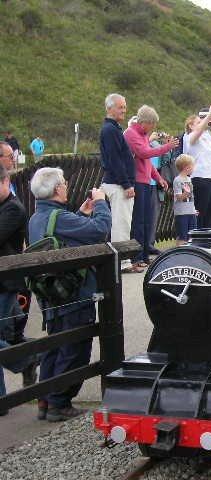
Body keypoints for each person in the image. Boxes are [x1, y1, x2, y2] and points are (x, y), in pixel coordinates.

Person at [28, 167, 111, 421]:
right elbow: (99, 231)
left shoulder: (37, 218)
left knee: (55, 347)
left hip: (51, 297)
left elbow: (61, 239)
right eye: (63, 182)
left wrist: (80, 214)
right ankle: (59, 403)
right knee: (74, 348)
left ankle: (45, 399)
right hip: (74, 294)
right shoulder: (61, 218)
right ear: (56, 190)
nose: (66, 186)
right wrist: (100, 203)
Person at [0, 163, 38, 416]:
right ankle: (26, 359)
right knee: (6, 335)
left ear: (5, 183)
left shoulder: (14, 208)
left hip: (6, 283)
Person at [123, 105, 175, 268]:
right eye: (152, 124)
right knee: (138, 221)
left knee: (146, 221)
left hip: (146, 181)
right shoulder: (131, 133)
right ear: (145, 122)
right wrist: (166, 147)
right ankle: (136, 256)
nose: (153, 128)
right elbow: (144, 153)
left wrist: (159, 178)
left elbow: (147, 162)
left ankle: (144, 254)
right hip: (136, 181)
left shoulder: (143, 134)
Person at [99, 93, 140, 273]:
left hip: (118, 183)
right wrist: (127, 184)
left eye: (124, 106)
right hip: (117, 185)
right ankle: (122, 263)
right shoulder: (109, 130)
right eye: (120, 107)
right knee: (121, 224)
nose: (124, 109)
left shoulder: (113, 128)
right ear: (109, 108)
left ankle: (122, 260)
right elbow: (115, 160)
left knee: (122, 223)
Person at [183, 103, 211, 227]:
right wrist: (209, 116)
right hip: (200, 177)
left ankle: (208, 236)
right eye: (198, 122)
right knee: (200, 210)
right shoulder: (190, 136)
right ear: (190, 126)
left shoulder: (206, 136)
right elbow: (198, 131)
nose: (201, 124)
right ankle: (198, 236)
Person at [172, 155, 198, 246]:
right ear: (187, 168)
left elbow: (191, 197)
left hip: (190, 212)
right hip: (181, 214)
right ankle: (179, 255)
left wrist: (193, 209)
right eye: (192, 166)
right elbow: (178, 197)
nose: (193, 168)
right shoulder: (177, 180)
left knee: (192, 236)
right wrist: (186, 193)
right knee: (182, 237)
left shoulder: (189, 179)